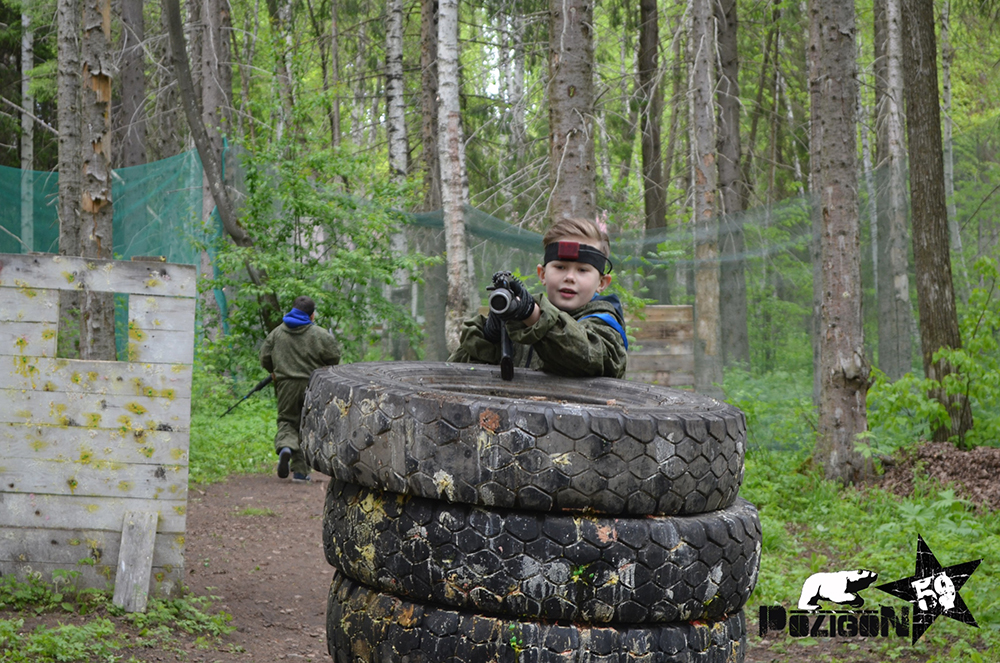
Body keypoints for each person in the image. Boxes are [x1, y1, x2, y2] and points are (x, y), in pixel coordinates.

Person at [449, 216, 628, 378]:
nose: (570, 277)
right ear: (542, 274)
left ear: (602, 283)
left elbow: (591, 358)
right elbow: (456, 374)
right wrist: (490, 337)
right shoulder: (519, 322)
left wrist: (533, 315)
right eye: (560, 267)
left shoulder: (604, 325)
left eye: (582, 270)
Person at [259, 296, 341, 482]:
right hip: (313, 385)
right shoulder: (320, 335)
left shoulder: (277, 333)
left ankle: (286, 447)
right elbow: (334, 357)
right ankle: (300, 473)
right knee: (307, 425)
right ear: (312, 315)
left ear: (292, 310)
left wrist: (274, 371)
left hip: (286, 385)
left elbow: (264, 357)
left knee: (287, 421)